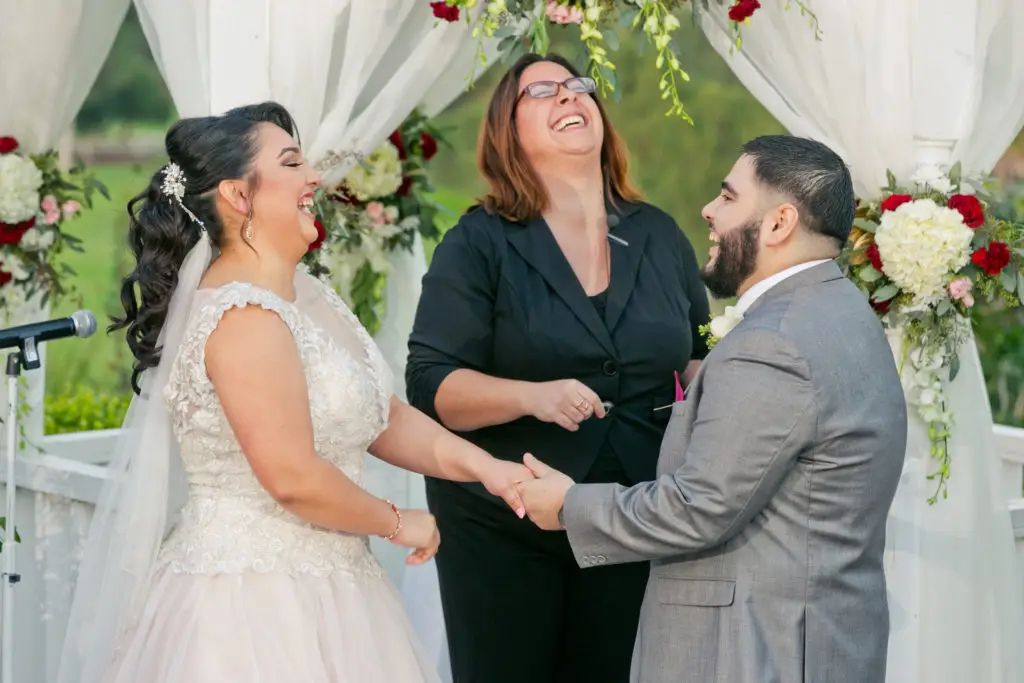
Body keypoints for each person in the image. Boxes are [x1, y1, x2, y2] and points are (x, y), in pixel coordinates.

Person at [56, 102, 531, 683]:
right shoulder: (241, 316)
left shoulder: (308, 297)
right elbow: (291, 477)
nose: (313, 179)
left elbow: (378, 416)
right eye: (292, 163)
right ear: (238, 195)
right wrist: (398, 521)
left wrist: (486, 468)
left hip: (338, 591)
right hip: (248, 607)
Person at [517, 135, 909, 683]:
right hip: (819, 639)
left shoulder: (774, 342)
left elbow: (699, 506)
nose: (708, 209)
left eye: (728, 197)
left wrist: (567, 505)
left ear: (779, 223)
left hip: (753, 650)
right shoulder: (846, 314)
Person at [405, 53, 711, 683]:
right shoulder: (479, 242)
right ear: (508, 131)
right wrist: (531, 396)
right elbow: (433, 386)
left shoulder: (659, 234)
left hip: (626, 513)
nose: (569, 97)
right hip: (503, 520)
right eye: (541, 92)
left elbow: (699, 357)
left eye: (578, 87)